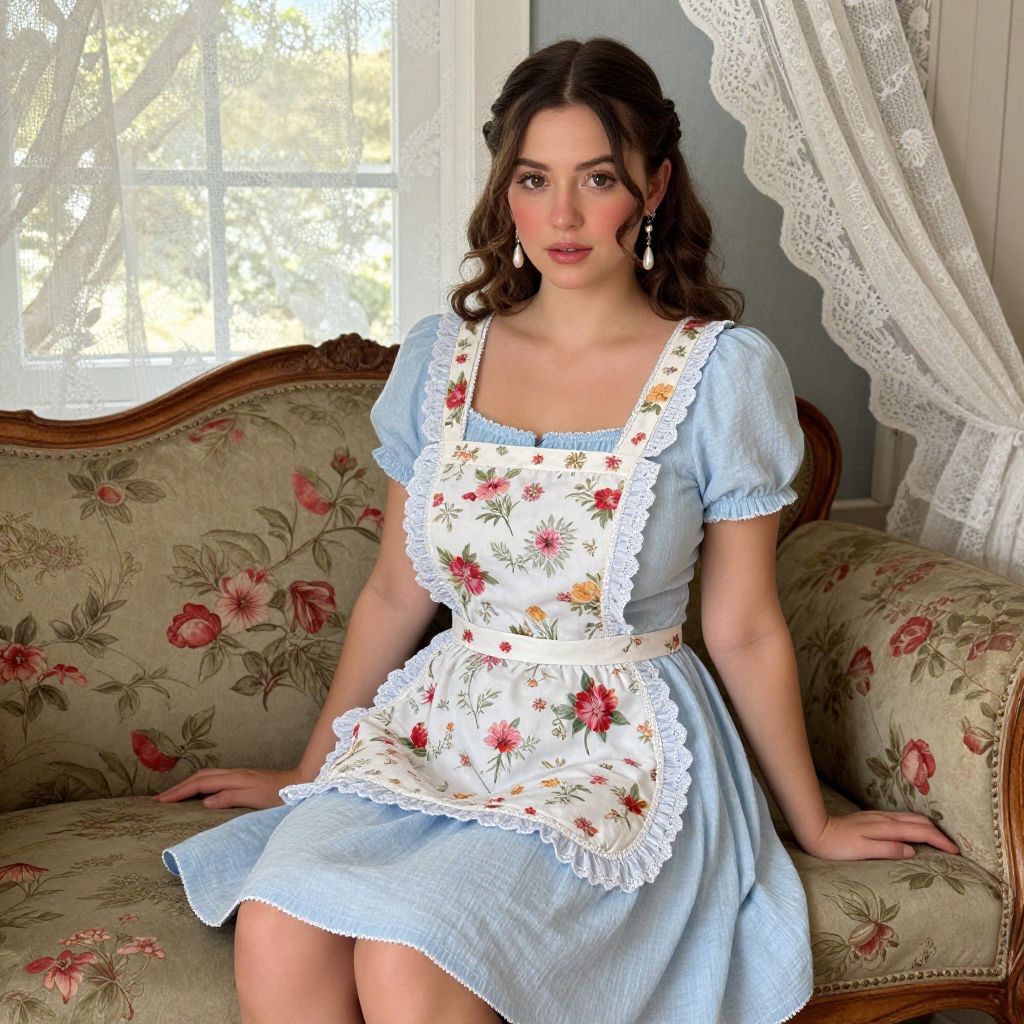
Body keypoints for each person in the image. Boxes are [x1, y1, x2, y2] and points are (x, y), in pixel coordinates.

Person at [157, 35, 960, 1024]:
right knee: (279, 922)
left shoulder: (720, 373)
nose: (562, 216)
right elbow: (395, 592)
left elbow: (745, 626)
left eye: (599, 179)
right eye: (535, 179)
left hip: (614, 745)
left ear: (654, 186)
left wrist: (812, 820)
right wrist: (309, 768)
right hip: (442, 723)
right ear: (506, 190)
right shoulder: (439, 359)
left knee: (409, 964)